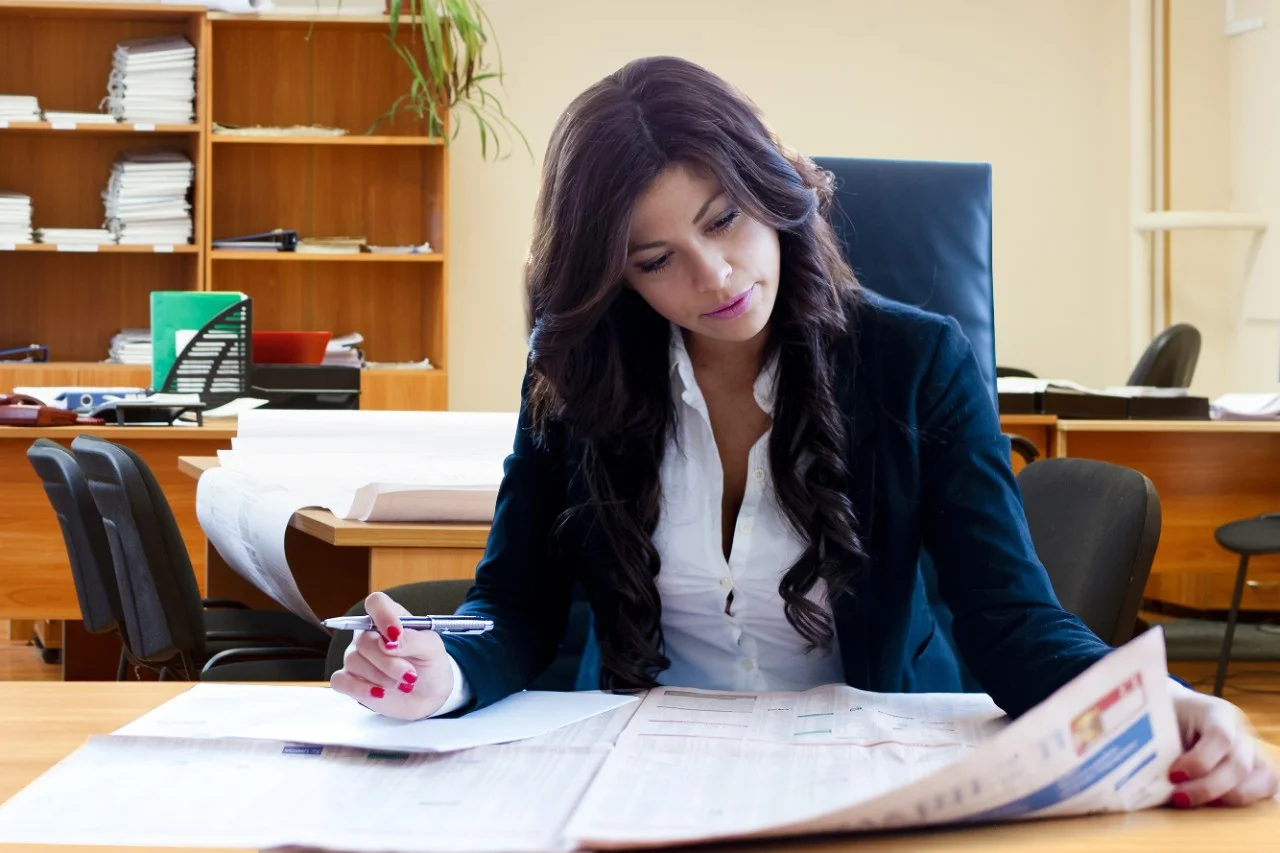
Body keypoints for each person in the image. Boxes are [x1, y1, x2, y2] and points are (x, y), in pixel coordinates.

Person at [331, 55, 1277, 809]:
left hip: (870, 772)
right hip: (634, 778)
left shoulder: (917, 362)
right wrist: (442, 670)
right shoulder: (580, 375)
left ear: (773, 188)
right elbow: (516, 602)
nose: (713, 275)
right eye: (657, 260)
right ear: (617, 278)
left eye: (726, 219)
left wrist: (1172, 705)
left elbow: (1011, 622)